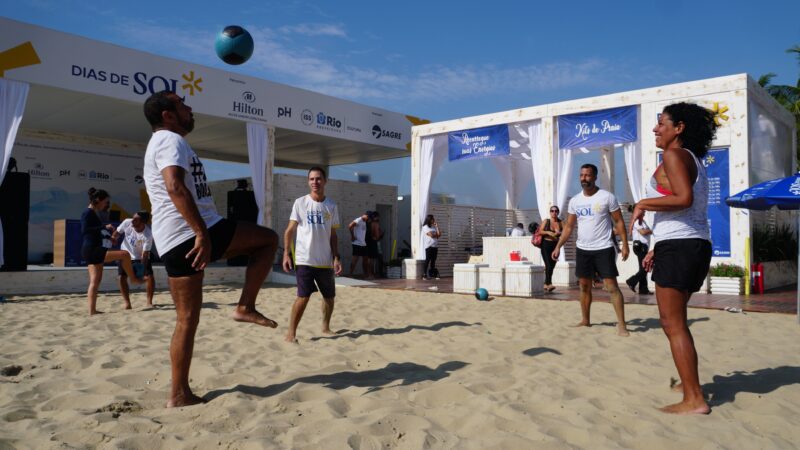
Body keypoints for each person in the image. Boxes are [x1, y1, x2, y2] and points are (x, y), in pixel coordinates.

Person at [143, 90, 279, 407]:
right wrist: (201, 233)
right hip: (193, 232)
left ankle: (178, 394)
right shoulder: (169, 140)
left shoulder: (161, 142)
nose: (190, 109)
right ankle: (245, 306)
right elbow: (174, 186)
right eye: (182, 105)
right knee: (268, 240)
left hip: (172, 240)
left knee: (186, 320)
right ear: (167, 114)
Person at [632, 102, 718, 415]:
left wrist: (643, 202)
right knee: (678, 322)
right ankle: (689, 384)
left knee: (672, 324)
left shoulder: (673, 154)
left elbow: (684, 199)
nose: (656, 129)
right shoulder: (692, 158)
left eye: (661, 124)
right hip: (693, 244)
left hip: (681, 247)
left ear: (678, 128)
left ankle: (694, 399)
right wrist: (657, 246)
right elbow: (690, 208)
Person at [552, 163, 630, 336]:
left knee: (611, 287)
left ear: (595, 177)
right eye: (581, 175)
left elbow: (618, 221)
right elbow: (569, 226)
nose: (584, 179)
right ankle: (585, 320)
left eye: (587, 175)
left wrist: (624, 244)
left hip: (604, 248)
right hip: (583, 249)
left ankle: (622, 324)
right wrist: (558, 246)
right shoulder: (575, 201)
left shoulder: (607, 197)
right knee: (584, 287)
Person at [282, 167, 342, 343]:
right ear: (308, 181)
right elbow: (289, 231)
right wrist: (286, 254)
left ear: (325, 181)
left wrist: (336, 257)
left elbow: (333, 234)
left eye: (318, 179)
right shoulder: (300, 203)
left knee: (329, 298)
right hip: (304, 260)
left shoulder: (331, 205)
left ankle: (325, 327)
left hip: (324, 261)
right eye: (311, 179)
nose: (315, 182)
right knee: (303, 297)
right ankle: (291, 334)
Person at [81, 188, 144, 316]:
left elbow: (96, 231)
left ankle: (92, 310)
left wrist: (109, 237)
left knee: (95, 281)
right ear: (98, 200)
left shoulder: (93, 213)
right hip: (93, 249)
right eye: (106, 202)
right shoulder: (88, 213)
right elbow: (85, 230)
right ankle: (133, 279)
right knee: (125, 254)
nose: (106, 205)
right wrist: (105, 227)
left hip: (91, 249)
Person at [112, 211, 156, 308]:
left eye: (136, 219)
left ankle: (149, 302)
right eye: (133, 218)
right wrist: (113, 238)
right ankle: (127, 303)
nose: (132, 220)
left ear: (143, 222)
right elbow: (117, 232)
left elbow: (145, 255)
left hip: (140, 256)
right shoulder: (127, 222)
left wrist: (141, 270)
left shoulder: (148, 234)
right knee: (121, 277)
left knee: (149, 277)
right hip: (124, 254)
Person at [626, 204, 652, 295]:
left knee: (643, 268)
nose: (644, 212)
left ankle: (643, 289)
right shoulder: (637, 221)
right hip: (640, 247)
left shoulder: (642, 221)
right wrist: (652, 231)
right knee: (645, 268)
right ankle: (631, 281)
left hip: (643, 247)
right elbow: (643, 232)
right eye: (643, 210)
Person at [537, 205, 562, 292]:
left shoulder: (560, 223)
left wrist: (559, 233)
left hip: (555, 246)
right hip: (545, 244)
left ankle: (546, 283)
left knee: (552, 265)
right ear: (550, 212)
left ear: (558, 212)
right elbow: (540, 231)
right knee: (548, 264)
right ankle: (548, 283)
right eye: (552, 211)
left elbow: (565, 233)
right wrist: (548, 232)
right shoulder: (546, 221)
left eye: (556, 211)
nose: (554, 212)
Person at [348, 211, 370, 277]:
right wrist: (352, 236)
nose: (367, 219)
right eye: (367, 217)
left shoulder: (364, 222)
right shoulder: (359, 220)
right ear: (365, 215)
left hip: (363, 244)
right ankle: (350, 274)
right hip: (357, 243)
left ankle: (365, 274)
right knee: (355, 259)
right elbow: (350, 226)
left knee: (365, 260)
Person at [365, 211, 385, 278]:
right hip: (373, 242)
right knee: (372, 259)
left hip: (366, 242)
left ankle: (368, 274)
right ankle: (372, 274)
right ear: (376, 217)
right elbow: (376, 235)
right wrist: (380, 235)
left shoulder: (367, 223)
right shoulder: (375, 223)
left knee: (368, 259)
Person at [422, 214, 441, 279]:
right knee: (427, 260)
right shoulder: (425, 227)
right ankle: (424, 274)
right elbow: (431, 235)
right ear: (429, 219)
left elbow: (439, 234)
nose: (434, 220)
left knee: (433, 260)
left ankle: (433, 274)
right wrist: (436, 234)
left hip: (435, 246)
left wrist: (437, 227)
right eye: (433, 219)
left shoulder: (433, 227)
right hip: (429, 246)